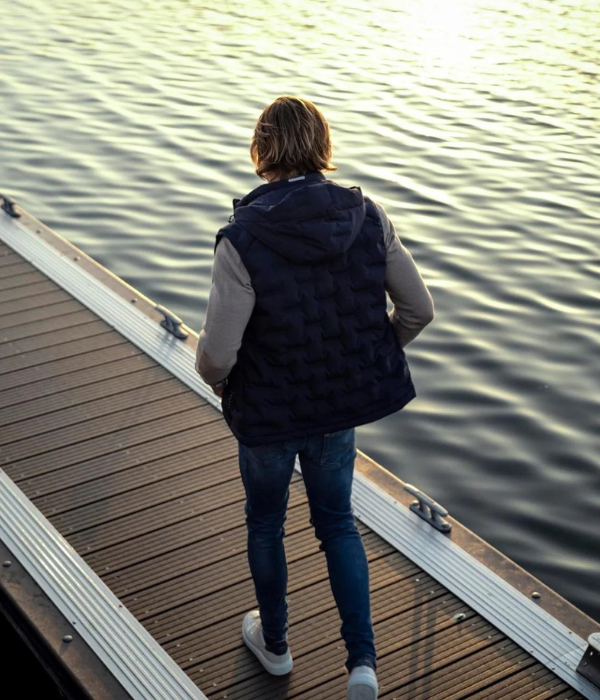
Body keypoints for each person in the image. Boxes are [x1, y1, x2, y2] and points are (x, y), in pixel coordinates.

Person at [196, 96, 434, 700]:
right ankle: (362, 666)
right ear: (321, 144)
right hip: (336, 411)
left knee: (265, 524)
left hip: (269, 415)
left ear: (263, 148)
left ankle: (275, 646)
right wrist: (373, 350)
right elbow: (419, 310)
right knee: (337, 524)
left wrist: (223, 382)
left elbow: (217, 356)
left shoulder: (243, 237)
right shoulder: (369, 216)